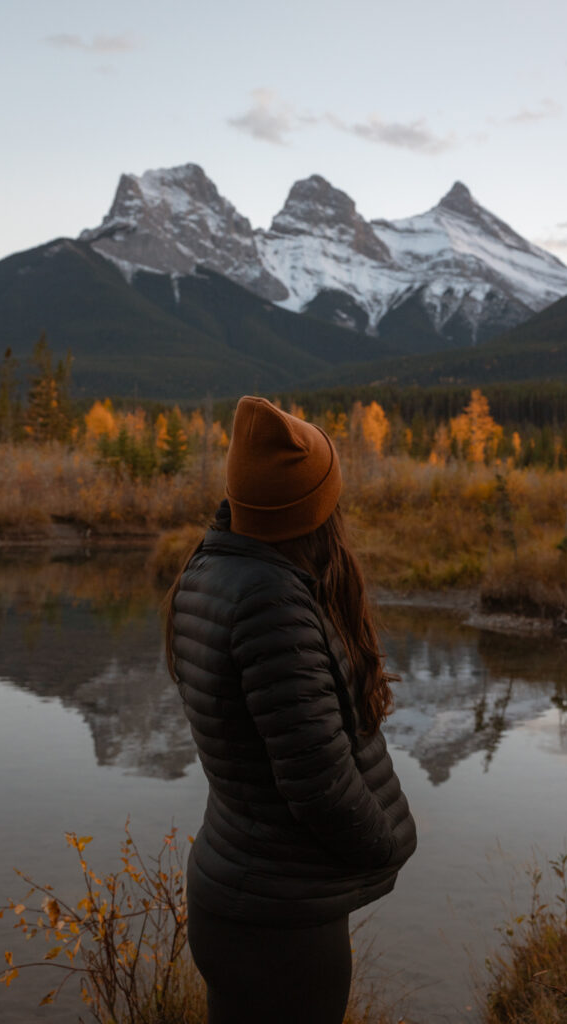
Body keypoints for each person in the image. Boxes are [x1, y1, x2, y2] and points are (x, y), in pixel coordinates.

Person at [165, 396, 417, 1024]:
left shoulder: (212, 567)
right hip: (277, 929)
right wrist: (385, 844)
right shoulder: (271, 602)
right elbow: (318, 782)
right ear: (315, 509)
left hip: (236, 897)